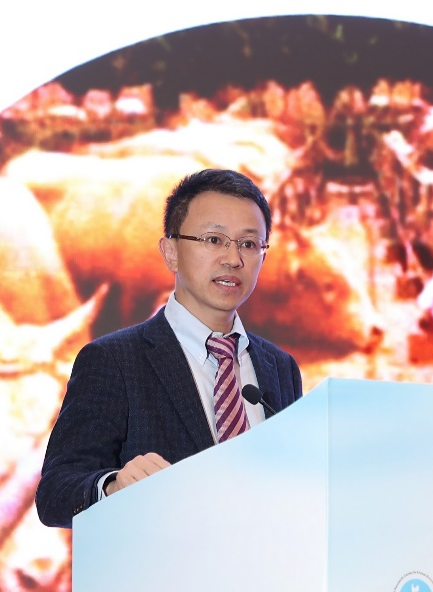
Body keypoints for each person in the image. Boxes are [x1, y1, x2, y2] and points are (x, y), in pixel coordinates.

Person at [35, 169, 303, 529]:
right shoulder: (114, 361)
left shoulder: (280, 367)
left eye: (249, 244)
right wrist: (113, 487)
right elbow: (55, 494)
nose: (233, 258)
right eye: (214, 239)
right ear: (171, 252)